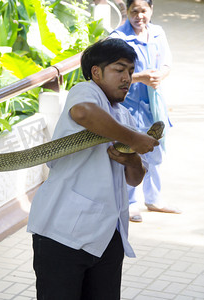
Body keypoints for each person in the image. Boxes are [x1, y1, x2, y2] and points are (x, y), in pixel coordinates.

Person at [27, 38, 160, 300]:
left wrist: (131, 159)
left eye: (131, 72)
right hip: (62, 233)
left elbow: (135, 179)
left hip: (108, 235)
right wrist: (134, 140)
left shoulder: (124, 116)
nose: (127, 78)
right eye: (119, 70)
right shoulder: (86, 91)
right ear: (96, 72)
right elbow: (83, 113)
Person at [110, 0, 180, 222]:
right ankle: (129, 203)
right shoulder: (117, 38)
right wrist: (140, 78)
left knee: (156, 151)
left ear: (151, 10)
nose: (139, 16)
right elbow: (111, 73)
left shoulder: (158, 32)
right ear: (127, 11)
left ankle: (154, 199)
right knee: (131, 153)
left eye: (144, 11)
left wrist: (161, 75)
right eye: (134, 11)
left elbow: (167, 63)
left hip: (154, 105)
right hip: (129, 106)